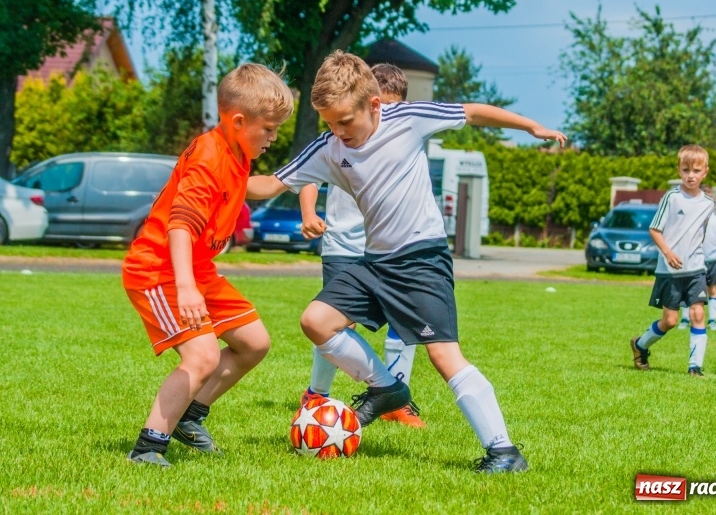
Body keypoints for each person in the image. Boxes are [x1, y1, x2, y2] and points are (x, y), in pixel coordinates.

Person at [247, 50, 566, 473]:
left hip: (421, 260)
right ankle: (387, 389)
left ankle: (504, 451)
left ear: (375, 105)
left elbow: (472, 112)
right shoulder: (330, 146)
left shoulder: (408, 119)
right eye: (328, 123)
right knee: (316, 321)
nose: (337, 132)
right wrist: (209, 175)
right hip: (373, 263)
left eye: (345, 122)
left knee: (443, 355)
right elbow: (269, 184)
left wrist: (530, 126)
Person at [122, 63, 294, 466]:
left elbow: (256, 187)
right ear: (237, 120)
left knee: (254, 343)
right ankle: (149, 447)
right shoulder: (208, 157)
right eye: (268, 128)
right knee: (202, 356)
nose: (273, 137)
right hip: (159, 271)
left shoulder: (236, 153)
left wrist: (308, 169)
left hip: (196, 271)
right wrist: (185, 288)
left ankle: (190, 416)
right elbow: (180, 225)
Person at [298, 63, 424, 428]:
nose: (384, 116)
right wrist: (309, 211)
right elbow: (309, 175)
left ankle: (396, 397)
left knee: (406, 321)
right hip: (344, 245)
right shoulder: (341, 136)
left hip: (391, 249)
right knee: (338, 324)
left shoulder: (405, 137)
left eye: (393, 107)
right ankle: (316, 394)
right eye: (380, 106)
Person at [630, 145, 714, 377]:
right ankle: (640, 345)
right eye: (686, 169)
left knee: (698, 314)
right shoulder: (672, 197)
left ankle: (694, 366)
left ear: (705, 171)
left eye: (696, 170)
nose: (691, 175)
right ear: (679, 170)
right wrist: (668, 252)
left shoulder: (708, 204)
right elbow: (655, 229)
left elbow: (700, 234)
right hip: (669, 270)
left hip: (696, 269)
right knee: (670, 320)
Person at [678, 184, 716, 331]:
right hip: (694, 259)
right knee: (688, 289)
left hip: (713, 260)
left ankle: (712, 320)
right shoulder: (691, 218)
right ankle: (685, 318)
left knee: (711, 289)